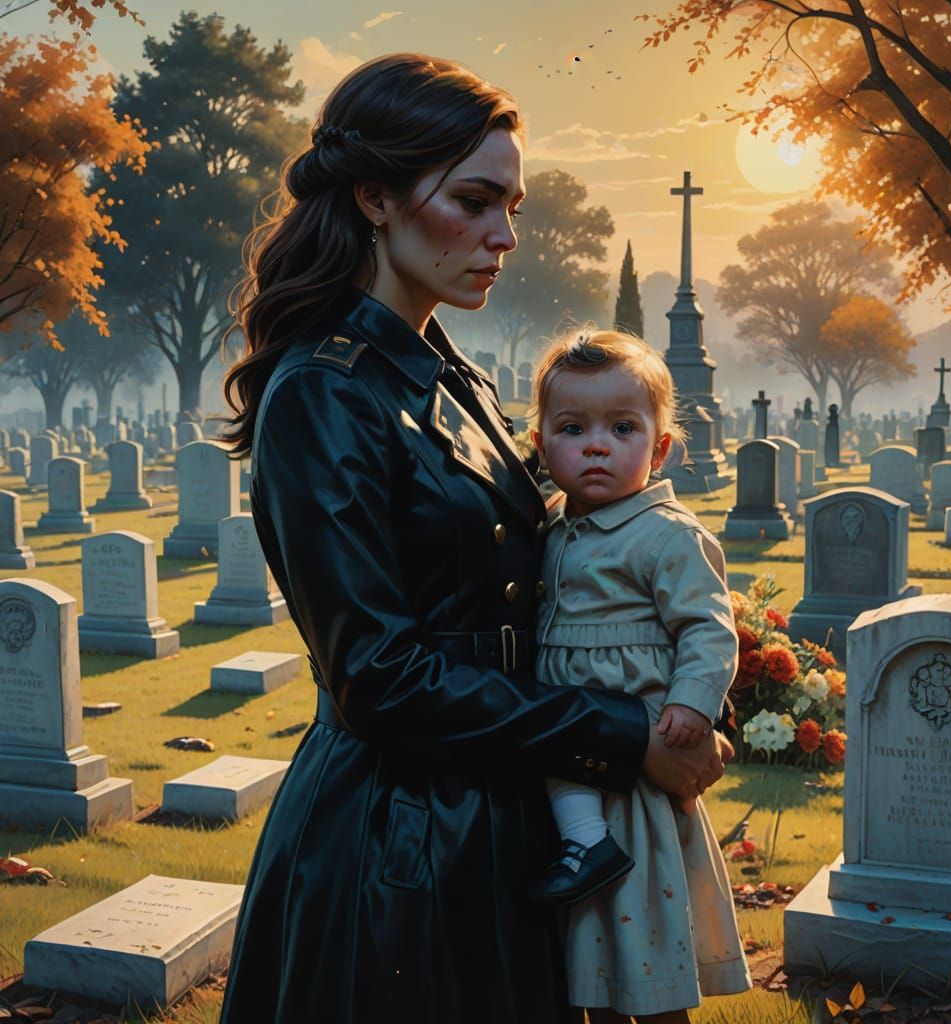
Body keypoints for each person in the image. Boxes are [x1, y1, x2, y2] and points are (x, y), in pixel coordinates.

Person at [217, 53, 731, 1024]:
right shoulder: (326, 393)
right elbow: (379, 676)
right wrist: (622, 736)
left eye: (512, 206)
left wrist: (677, 688)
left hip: (511, 814)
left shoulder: (458, 379)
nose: (505, 235)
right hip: (399, 844)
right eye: (474, 201)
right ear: (375, 197)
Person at [527, 330, 752, 1022]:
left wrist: (695, 703)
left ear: (659, 449)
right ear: (541, 445)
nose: (597, 446)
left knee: (643, 942)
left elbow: (707, 627)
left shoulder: (667, 534)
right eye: (573, 429)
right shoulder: (550, 529)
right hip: (567, 751)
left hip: (635, 768)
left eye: (622, 429)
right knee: (589, 956)